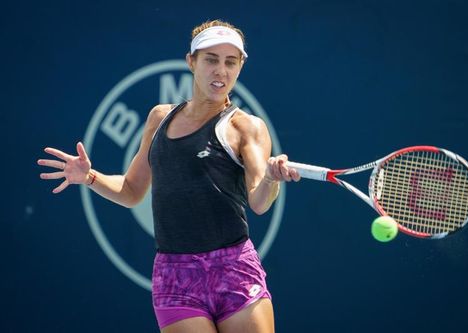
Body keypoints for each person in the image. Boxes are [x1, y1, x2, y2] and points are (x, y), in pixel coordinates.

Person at [38, 20, 300, 333]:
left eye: (231, 62)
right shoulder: (159, 118)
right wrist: (90, 177)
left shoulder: (247, 127)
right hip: (175, 276)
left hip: (234, 270)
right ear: (191, 61)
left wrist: (271, 179)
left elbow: (259, 201)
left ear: (240, 66)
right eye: (211, 60)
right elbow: (132, 190)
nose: (221, 71)